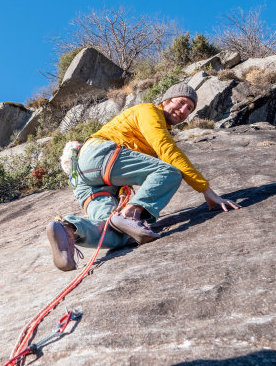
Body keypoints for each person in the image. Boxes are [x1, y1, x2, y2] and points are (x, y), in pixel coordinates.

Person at [46, 83, 241, 271]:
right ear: (165, 101)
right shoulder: (149, 111)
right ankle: (131, 213)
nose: (183, 110)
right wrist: (206, 191)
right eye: (180, 102)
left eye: (189, 109)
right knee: (170, 172)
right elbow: (167, 150)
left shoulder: (156, 119)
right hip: (99, 154)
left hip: (87, 179)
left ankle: (68, 230)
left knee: (117, 234)